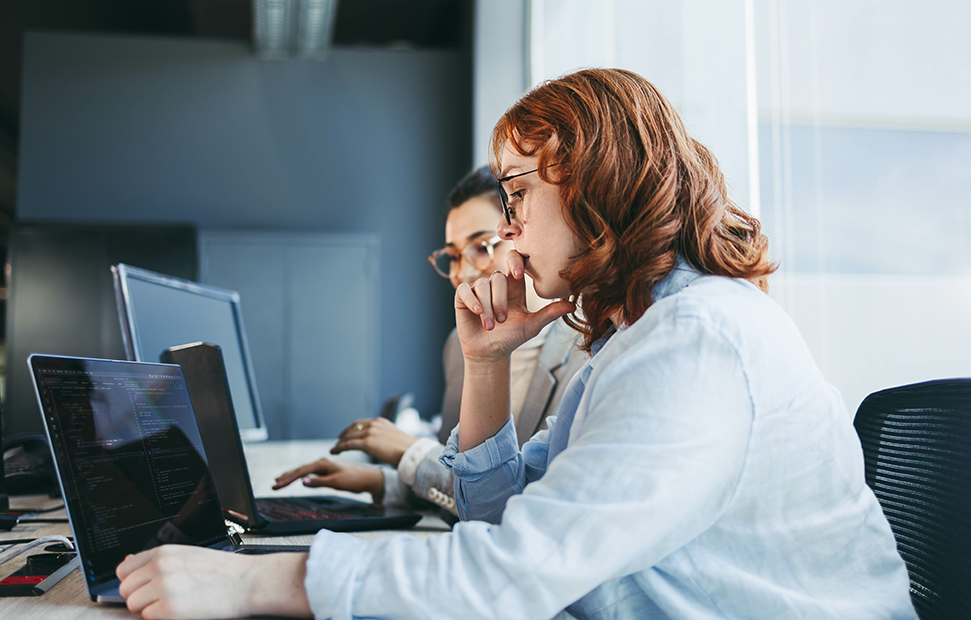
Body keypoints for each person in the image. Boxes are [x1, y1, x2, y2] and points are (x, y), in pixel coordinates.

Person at [115, 68, 916, 619]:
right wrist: (486, 362)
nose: (508, 231)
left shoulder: (694, 344)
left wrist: (253, 586)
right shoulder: (631, 340)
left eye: (519, 195)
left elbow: (508, 577)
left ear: (599, 180)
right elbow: (494, 519)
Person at [271, 167, 587, 518]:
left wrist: (409, 451)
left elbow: (523, 508)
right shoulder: (459, 347)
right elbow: (464, 486)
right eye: (452, 255)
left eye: (480, 247)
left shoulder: (584, 354)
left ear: (521, 234)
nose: (462, 273)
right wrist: (381, 482)